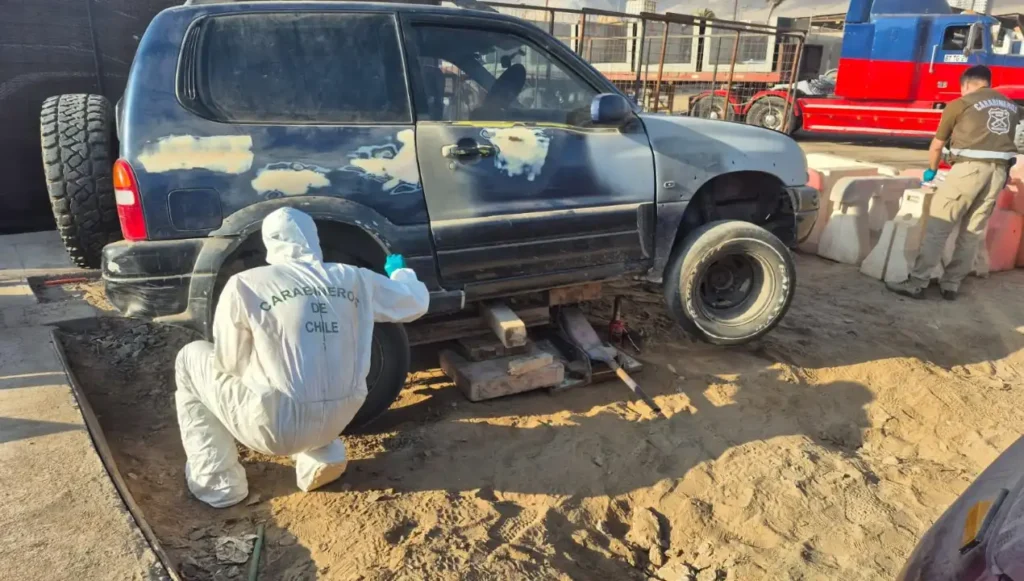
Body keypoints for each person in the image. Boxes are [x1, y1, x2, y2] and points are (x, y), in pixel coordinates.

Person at [174, 207, 430, 508]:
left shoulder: (247, 284)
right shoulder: (353, 278)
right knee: (318, 377)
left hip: (272, 429)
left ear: (270, 242)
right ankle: (322, 453)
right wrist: (400, 272)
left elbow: (229, 362)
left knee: (190, 359)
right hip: (343, 418)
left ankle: (218, 483)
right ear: (313, 239)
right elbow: (415, 303)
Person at [887, 65, 1020, 301]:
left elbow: (937, 144)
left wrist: (931, 170)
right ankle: (951, 285)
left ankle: (917, 282)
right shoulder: (1011, 106)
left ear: (966, 84)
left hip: (968, 171)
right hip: (998, 173)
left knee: (940, 226)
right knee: (972, 231)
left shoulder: (961, 104)